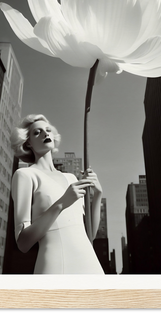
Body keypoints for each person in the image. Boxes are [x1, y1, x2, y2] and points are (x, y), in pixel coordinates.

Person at [10, 114, 105, 274]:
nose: (45, 134)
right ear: (28, 143)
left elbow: (89, 235)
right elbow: (23, 243)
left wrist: (98, 195)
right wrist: (62, 203)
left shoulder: (71, 178)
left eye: (48, 130)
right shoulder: (25, 175)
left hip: (90, 264)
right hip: (56, 265)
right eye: (37, 132)